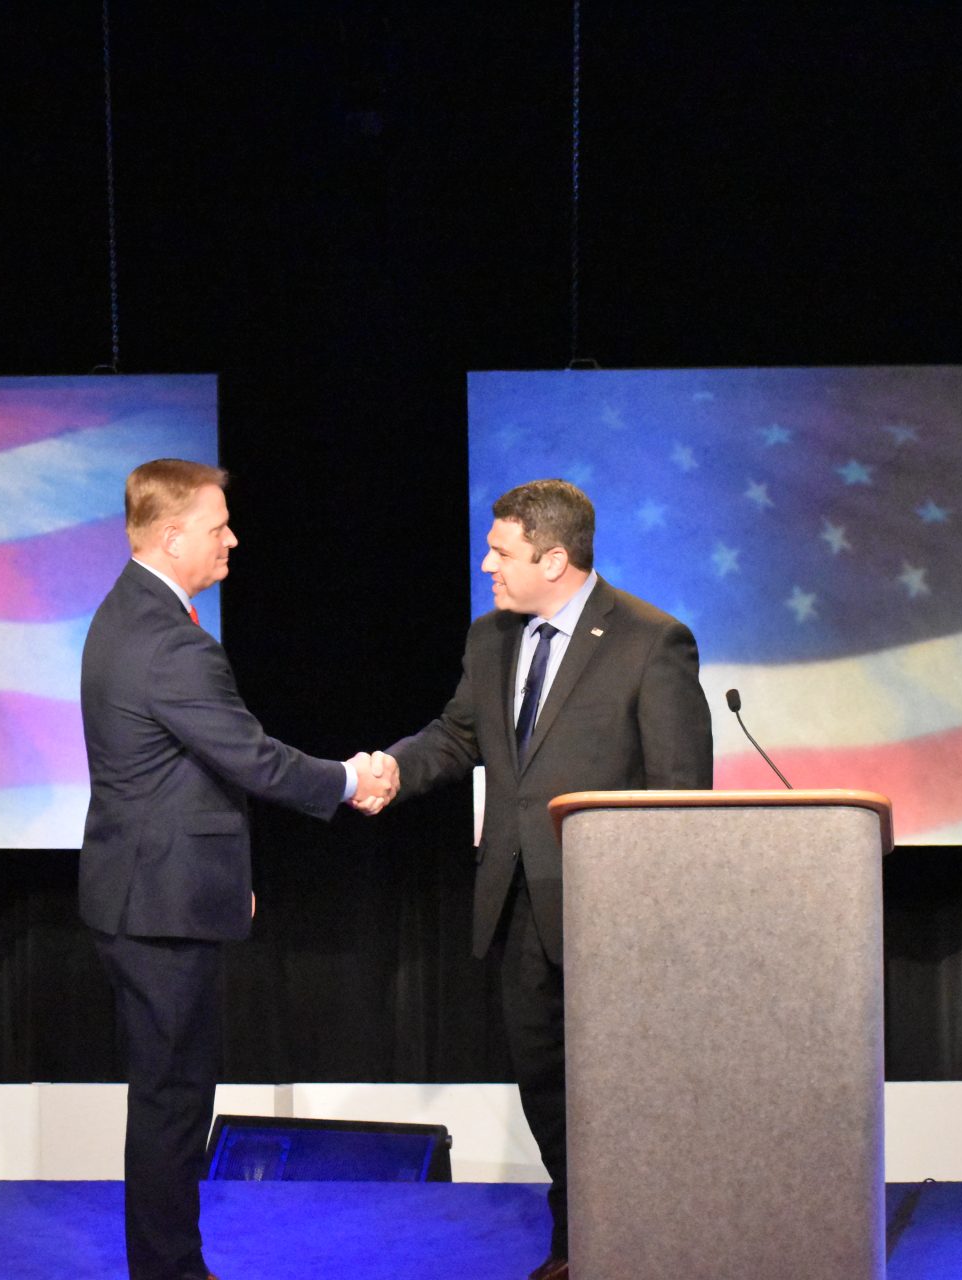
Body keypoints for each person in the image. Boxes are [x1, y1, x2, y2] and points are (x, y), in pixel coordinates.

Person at [369, 478, 712, 1280]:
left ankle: (631, 1243)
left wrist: (664, 919)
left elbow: (680, 791)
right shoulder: (491, 638)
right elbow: (457, 739)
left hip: (614, 916)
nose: (486, 564)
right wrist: (386, 770)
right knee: (546, 1084)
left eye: (501, 551)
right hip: (520, 907)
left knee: (624, 1093)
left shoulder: (651, 641)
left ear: (554, 559)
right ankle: (580, 1241)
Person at [79, 458, 394, 1280]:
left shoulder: (130, 613)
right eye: (219, 526)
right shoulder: (168, 643)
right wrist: (353, 779)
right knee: (172, 1105)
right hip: (159, 907)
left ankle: (168, 1265)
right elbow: (252, 760)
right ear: (175, 532)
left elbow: (183, 779)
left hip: (154, 894)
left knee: (170, 1099)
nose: (233, 539)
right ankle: (169, 1271)